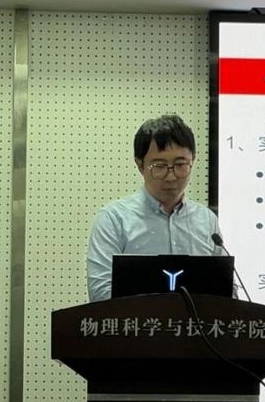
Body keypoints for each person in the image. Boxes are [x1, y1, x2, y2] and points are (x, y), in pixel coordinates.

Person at [86, 114, 221, 302]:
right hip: (135, 321)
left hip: (196, 322)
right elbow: (100, 292)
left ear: (193, 161)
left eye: (180, 165)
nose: (171, 176)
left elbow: (225, 288)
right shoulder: (114, 219)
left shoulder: (206, 220)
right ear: (140, 165)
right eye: (159, 166)